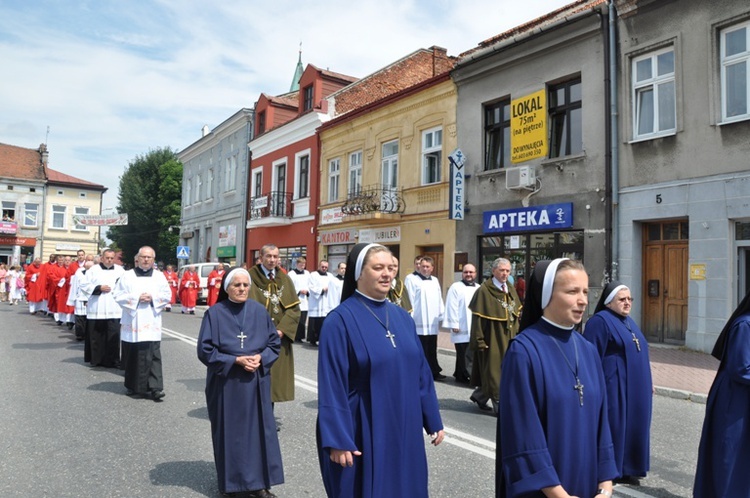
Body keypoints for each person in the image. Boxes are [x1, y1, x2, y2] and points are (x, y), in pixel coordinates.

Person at [317, 243, 444, 498]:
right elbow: (332, 385)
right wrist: (337, 438)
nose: (387, 274)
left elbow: (421, 372)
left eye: (391, 268)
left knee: (407, 485)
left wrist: (432, 416)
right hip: (362, 422)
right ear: (359, 273)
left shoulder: (403, 317)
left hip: (404, 420)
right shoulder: (339, 320)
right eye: (378, 268)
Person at [497, 259, 617, 498]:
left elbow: (602, 422)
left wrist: (605, 485)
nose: (583, 300)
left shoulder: (588, 350)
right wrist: (557, 493)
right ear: (546, 295)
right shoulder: (524, 350)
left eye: (584, 291)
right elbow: (522, 431)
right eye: (572, 291)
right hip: (542, 489)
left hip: (587, 483)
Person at [198, 267, 284, 498]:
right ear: (227, 288)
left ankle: (259, 484)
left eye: (245, 285)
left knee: (259, 434)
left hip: (256, 381)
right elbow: (205, 350)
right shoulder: (215, 314)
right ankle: (233, 485)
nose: (242, 289)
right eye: (237, 285)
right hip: (227, 383)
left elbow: (273, 344)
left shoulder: (259, 311)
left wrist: (260, 357)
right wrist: (234, 360)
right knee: (231, 434)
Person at [584, 281, 652, 485]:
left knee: (636, 425)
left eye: (629, 299)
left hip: (638, 388)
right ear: (608, 302)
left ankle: (630, 467)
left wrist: (650, 382)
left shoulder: (629, 321)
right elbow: (591, 355)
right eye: (622, 299)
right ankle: (611, 469)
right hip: (615, 386)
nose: (627, 303)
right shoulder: (600, 321)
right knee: (616, 425)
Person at [693, 290, 750, 498]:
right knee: (730, 453)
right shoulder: (745, 324)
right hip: (734, 399)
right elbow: (741, 368)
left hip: (743, 396)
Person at [113, 246, 172, 401]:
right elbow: (117, 294)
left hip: (151, 321)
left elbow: (167, 295)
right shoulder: (127, 276)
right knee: (134, 353)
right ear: (137, 259)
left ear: (153, 260)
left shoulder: (160, 276)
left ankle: (156, 388)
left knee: (153, 354)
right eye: (143, 257)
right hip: (133, 320)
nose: (146, 260)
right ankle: (133, 386)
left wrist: (152, 298)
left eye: (149, 257)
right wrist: (136, 298)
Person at [248, 244, 300, 403]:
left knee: (275, 379)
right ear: (261, 258)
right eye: (269, 256)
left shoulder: (284, 278)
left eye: (275, 257)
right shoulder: (250, 277)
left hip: (278, 338)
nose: (272, 260)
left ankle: (268, 418)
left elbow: (294, 309)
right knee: (254, 376)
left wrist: (282, 330)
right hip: (256, 337)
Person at [469, 258, 522, 413]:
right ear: (493, 271)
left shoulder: (510, 288)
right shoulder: (484, 290)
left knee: (506, 369)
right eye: (501, 270)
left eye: (507, 271)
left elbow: (515, 312)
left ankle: (480, 395)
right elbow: (478, 319)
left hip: (510, 335)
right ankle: (499, 405)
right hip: (492, 337)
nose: (505, 273)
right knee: (495, 371)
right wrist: (479, 340)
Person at [81, 249, 125, 368]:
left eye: (112, 258)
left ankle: (113, 360)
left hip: (113, 307)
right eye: (107, 258)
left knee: (113, 335)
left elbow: (125, 286)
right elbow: (84, 284)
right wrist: (99, 287)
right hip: (97, 306)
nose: (109, 260)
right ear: (102, 258)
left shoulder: (120, 271)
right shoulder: (93, 270)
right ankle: (96, 359)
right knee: (97, 335)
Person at [405, 255, 445, 380]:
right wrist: (409, 316)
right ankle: (420, 372)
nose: (425, 269)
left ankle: (434, 371)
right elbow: (409, 298)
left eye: (427, 266)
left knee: (432, 347)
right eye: (422, 266)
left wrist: (441, 313)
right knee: (420, 347)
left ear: (432, 268)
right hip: (418, 319)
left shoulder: (435, 280)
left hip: (432, 320)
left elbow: (439, 297)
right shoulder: (411, 279)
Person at [443, 263, 479, 384]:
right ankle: (465, 375)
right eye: (466, 272)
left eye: (471, 272)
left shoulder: (478, 287)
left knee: (469, 353)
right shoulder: (455, 287)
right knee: (463, 352)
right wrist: (454, 324)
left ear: (475, 273)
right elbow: (451, 306)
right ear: (462, 273)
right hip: (461, 325)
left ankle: (459, 374)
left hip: (473, 326)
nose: (468, 274)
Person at [307, 260, 337, 347]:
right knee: (314, 321)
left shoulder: (330, 276)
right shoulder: (313, 275)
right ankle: (312, 339)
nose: (324, 268)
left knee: (323, 321)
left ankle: (322, 339)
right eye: (322, 267)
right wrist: (322, 290)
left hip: (326, 301)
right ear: (319, 266)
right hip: (316, 302)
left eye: (326, 267)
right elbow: (311, 287)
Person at [68, 257, 94, 341]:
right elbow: (75, 285)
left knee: (89, 318)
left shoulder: (95, 273)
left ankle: (88, 334)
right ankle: (80, 334)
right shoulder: (79, 272)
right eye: (88, 268)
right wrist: (72, 298)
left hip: (90, 298)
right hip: (80, 297)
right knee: (79, 318)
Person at [288, 256, 310, 343]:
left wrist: (307, 291)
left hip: (304, 300)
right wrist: (299, 291)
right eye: (301, 264)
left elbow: (310, 284)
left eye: (304, 264)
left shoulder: (307, 273)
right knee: (295, 318)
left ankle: (300, 336)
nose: (302, 266)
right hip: (295, 298)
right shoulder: (291, 274)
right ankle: (293, 335)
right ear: (297, 264)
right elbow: (290, 286)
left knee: (303, 319)